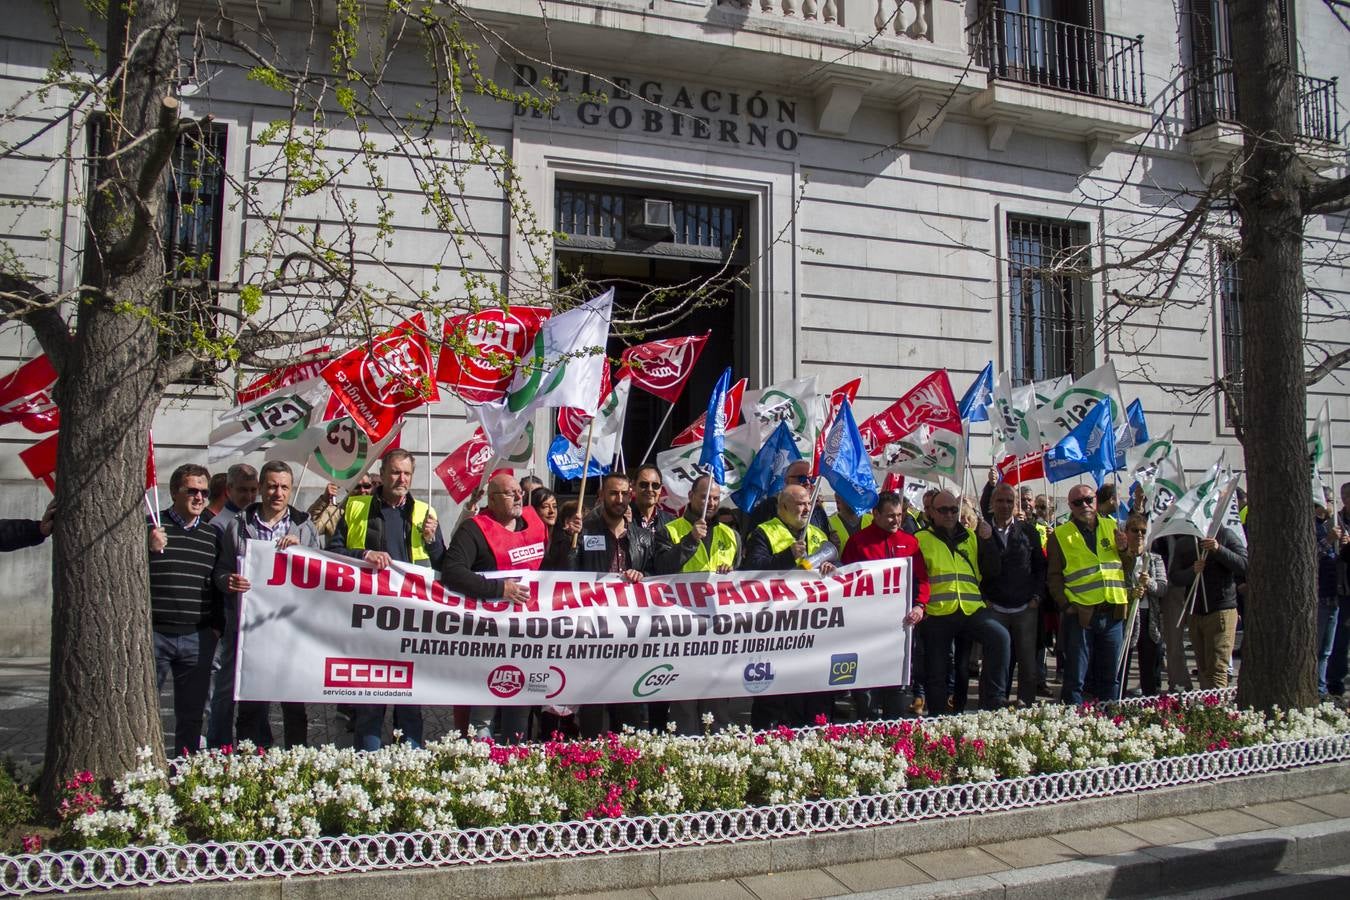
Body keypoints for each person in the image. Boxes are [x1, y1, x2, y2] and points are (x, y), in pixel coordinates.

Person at [329, 449, 445, 750]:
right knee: (371, 702)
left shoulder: (425, 513)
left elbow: (442, 564)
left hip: (410, 620)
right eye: (395, 472)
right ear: (382, 472)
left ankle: (409, 767)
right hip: (370, 619)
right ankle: (369, 768)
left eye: (406, 473)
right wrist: (364, 555)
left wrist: (432, 541)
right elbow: (333, 553)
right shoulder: (356, 507)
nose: (401, 479)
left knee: (410, 704)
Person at [213, 460, 320, 748]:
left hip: (291, 629)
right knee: (251, 705)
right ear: (261, 487)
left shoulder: (305, 527)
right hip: (252, 630)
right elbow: (220, 571)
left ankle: (296, 763)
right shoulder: (238, 525)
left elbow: (321, 573)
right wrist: (228, 581)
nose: (278, 492)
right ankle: (253, 762)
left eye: (284, 487)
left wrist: (303, 553)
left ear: (291, 490)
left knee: (294, 705)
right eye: (272, 486)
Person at [442, 472, 547, 741]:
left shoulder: (534, 523)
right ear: (492, 498)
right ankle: (482, 767)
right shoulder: (474, 529)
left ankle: (514, 761)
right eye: (511, 493)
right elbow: (452, 571)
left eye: (519, 492)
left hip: (527, 635)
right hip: (489, 636)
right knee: (483, 714)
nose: (519, 496)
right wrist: (501, 590)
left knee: (520, 709)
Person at [549, 472, 656, 735]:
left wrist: (644, 576)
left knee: (627, 711)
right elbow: (564, 574)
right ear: (601, 497)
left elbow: (658, 576)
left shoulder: (643, 537)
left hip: (630, 635)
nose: (619, 499)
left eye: (624, 493)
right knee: (592, 711)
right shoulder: (583, 533)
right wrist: (568, 542)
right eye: (613, 493)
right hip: (593, 635)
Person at [653, 474, 741, 733]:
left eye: (715, 498)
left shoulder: (731, 534)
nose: (710, 503)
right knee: (685, 703)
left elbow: (741, 580)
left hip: (719, 631)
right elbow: (661, 568)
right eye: (704, 497)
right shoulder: (670, 530)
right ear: (691, 496)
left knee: (717, 704)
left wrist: (730, 574)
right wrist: (690, 541)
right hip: (683, 630)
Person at [745, 483, 837, 728]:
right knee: (774, 698)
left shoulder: (817, 534)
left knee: (811, 694)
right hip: (777, 627)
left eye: (809, 503)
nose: (807, 508)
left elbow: (836, 563)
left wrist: (831, 568)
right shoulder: (764, 532)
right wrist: (787, 556)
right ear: (783, 507)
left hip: (812, 627)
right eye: (800, 504)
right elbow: (751, 571)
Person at [148, 463, 223, 757]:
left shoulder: (212, 536)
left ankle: (184, 768)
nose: (198, 497)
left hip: (197, 637)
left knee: (191, 714)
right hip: (155, 635)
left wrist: (216, 629)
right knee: (145, 708)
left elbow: (216, 584)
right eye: (190, 490)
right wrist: (148, 547)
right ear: (173, 492)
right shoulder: (151, 527)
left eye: (203, 492)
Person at [841, 490, 930, 719]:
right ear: (875, 514)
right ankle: (866, 726)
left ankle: (895, 728)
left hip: (901, 626)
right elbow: (844, 582)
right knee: (866, 685)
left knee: (898, 684)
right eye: (890, 516)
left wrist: (920, 606)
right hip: (866, 627)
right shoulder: (858, 542)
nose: (897, 521)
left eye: (899, 515)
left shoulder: (910, 542)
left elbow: (921, 580)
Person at [1048, 484, 1129, 704]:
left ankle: (1109, 722)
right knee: (1076, 677)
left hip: (1112, 610)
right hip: (1081, 614)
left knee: (1110, 676)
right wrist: (1066, 606)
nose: (1085, 505)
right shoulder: (1060, 535)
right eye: (1077, 502)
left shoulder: (1113, 526)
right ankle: (1074, 722)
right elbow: (1054, 576)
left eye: (1088, 499)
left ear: (1096, 499)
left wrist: (1124, 549)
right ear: (1070, 506)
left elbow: (1128, 565)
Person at [983, 483, 1047, 707]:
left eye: (1009, 501)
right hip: (995, 607)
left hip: (1025, 608)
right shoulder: (982, 531)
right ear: (992, 503)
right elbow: (976, 568)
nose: (1005, 505)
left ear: (1016, 504)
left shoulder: (1028, 531)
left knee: (1027, 663)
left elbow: (1040, 566)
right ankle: (994, 706)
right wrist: (985, 598)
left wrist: (1037, 597)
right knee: (997, 661)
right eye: (1000, 500)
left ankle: (1025, 707)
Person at [1167, 523, 1247, 691]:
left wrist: (1219, 550)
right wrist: (1192, 571)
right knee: (1203, 669)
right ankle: (1208, 708)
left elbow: (1244, 565)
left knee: (1218, 667)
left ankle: (1218, 710)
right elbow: (1174, 576)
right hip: (1195, 612)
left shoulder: (1225, 535)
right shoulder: (1185, 542)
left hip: (1221, 610)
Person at [1121, 514, 1168, 697]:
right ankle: (1119, 699)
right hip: (1127, 617)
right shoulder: (1122, 559)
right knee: (1124, 662)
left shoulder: (1154, 559)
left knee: (1148, 664)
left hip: (1149, 618)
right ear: (1127, 533)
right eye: (1135, 530)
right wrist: (1131, 593)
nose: (1139, 534)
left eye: (1143, 531)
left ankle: (1150, 701)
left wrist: (1149, 583)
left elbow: (1163, 588)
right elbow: (1117, 586)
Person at [745, 459, 830, 536]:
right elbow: (752, 541)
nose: (807, 482)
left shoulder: (817, 510)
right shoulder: (767, 507)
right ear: (786, 480)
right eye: (802, 478)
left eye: (811, 479)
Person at [1314, 501, 1344, 697]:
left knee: (1327, 649)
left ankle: (1322, 688)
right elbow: (1309, 555)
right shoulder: (1313, 528)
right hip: (1319, 597)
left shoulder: (1337, 526)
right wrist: (1328, 540)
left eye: (1331, 502)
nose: (1329, 506)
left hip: (1336, 596)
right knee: (1316, 648)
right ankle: (1316, 687)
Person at [1328, 481, 1350, 697]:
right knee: (1340, 641)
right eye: (1345, 497)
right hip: (1343, 589)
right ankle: (1336, 683)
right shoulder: (1337, 522)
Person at [307, 475, 374, 541]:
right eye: (356, 486)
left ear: (372, 487)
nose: (362, 490)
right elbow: (310, 529)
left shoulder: (379, 512)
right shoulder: (333, 512)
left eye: (366, 486)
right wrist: (324, 500)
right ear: (347, 489)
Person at [208, 463, 257, 528]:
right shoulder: (218, 525)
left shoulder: (260, 520)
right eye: (243, 490)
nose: (249, 497)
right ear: (229, 489)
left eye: (253, 490)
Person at [631, 464, 674, 533]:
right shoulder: (622, 518)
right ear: (633, 486)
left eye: (655, 485)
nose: (650, 489)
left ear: (660, 489)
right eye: (644, 484)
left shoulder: (671, 522)